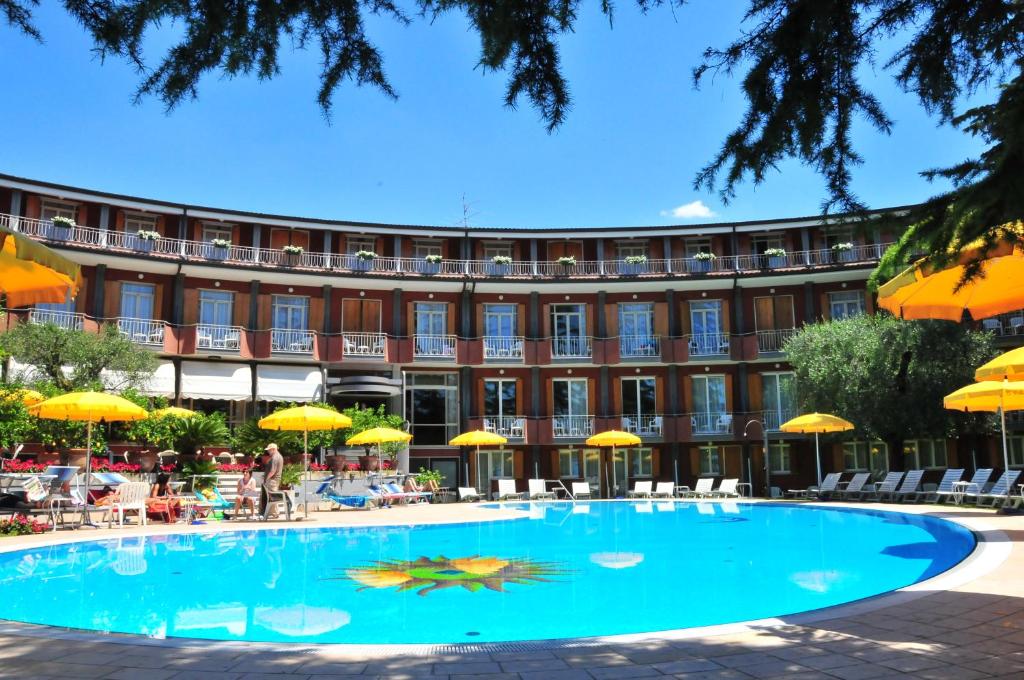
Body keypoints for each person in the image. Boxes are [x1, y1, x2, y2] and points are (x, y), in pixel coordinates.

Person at [260, 443, 284, 518]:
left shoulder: (275, 457)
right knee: (272, 497)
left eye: (269, 450)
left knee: (271, 497)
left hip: (272, 480)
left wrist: (266, 478)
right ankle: (275, 513)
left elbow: (272, 471)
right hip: (275, 480)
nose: (268, 452)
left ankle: (274, 513)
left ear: (273, 449)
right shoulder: (278, 456)